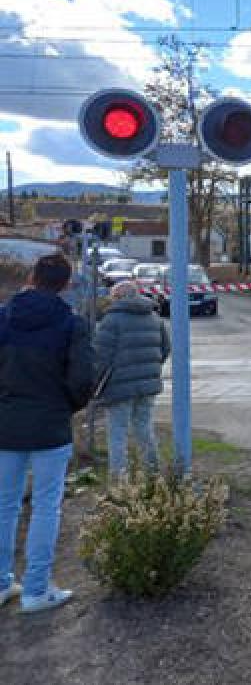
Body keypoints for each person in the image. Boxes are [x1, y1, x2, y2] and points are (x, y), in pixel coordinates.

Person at [0, 253, 94, 613]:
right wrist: (64, 407)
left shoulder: (3, 319)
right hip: (51, 426)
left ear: (31, 277)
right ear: (66, 284)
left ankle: (2, 582)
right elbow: (83, 379)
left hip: (6, 425)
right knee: (45, 507)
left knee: (4, 505)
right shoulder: (71, 324)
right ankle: (36, 591)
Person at [95, 281, 170, 477]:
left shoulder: (111, 321)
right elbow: (165, 349)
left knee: (117, 432)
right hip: (147, 385)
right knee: (144, 427)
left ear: (117, 297)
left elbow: (101, 357)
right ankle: (152, 471)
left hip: (118, 386)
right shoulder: (154, 318)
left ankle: (119, 478)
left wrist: (94, 386)